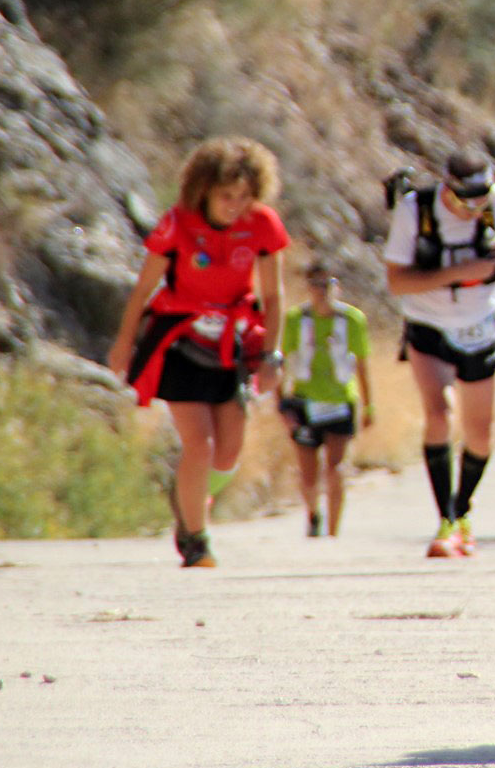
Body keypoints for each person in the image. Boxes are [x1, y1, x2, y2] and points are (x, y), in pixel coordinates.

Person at [108, 137, 288, 569]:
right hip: (181, 343)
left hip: (232, 345)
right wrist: (124, 343)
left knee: (228, 452)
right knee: (200, 444)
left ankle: (189, 500)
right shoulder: (177, 224)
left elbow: (273, 296)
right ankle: (195, 539)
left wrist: (271, 356)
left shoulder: (262, 224)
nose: (235, 206)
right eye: (226, 196)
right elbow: (143, 289)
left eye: (244, 197)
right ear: (204, 189)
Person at [384, 149, 495, 558]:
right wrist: (458, 273)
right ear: (446, 187)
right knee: (439, 414)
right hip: (429, 323)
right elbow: (398, 282)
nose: (474, 209)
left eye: (480, 199)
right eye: (464, 201)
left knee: (480, 433)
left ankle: (463, 509)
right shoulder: (414, 210)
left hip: (481, 323)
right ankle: (446, 520)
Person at [278, 261, 374, 538]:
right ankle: (313, 515)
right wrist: (281, 402)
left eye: (327, 284)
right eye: (316, 285)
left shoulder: (352, 319)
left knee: (336, 468)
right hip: (304, 400)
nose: (322, 291)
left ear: (337, 286)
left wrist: (369, 405)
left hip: (340, 400)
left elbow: (362, 364)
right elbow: (283, 362)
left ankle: (333, 531)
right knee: (308, 473)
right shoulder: (295, 319)